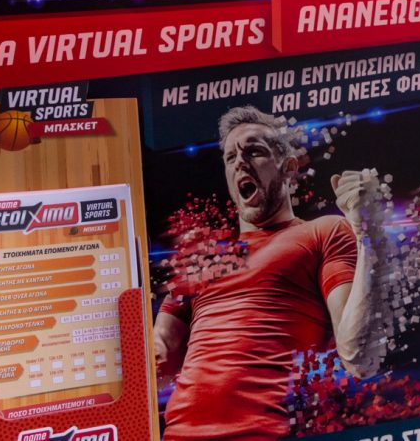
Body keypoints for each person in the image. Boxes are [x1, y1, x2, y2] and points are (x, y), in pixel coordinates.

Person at [154, 106, 386, 441]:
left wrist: (367, 234)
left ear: (289, 168)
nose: (240, 162)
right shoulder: (202, 257)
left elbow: (358, 355)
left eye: (253, 151)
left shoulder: (323, 232)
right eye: (230, 157)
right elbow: (160, 353)